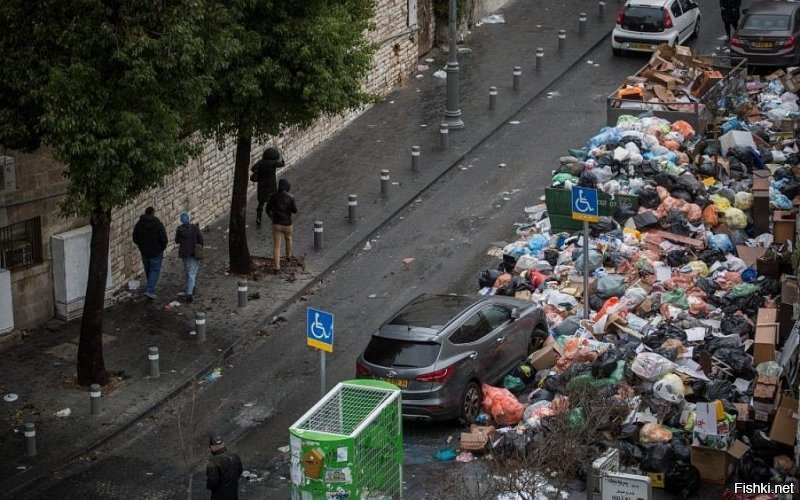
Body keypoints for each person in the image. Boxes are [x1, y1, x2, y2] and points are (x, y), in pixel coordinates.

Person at [132, 206, 167, 300]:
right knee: (154, 270)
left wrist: (141, 246)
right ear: (153, 213)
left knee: (148, 269)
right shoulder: (157, 223)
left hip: (144, 251)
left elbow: (135, 237)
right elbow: (163, 237)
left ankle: (150, 286)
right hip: (156, 251)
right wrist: (161, 248)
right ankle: (150, 289)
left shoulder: (139, 224)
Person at [265, 178, 298, 272]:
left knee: (276, 245)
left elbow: (267, 210)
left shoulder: (273, 196)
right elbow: (295, 211)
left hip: (276, 224)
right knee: (288, 238)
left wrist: (272, 217)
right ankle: (288, 256)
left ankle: (277, 267)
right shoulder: (290, 197)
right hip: (287, 223)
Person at [174, 212, 203, 303]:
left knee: (188, 270)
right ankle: (189, 293)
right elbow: (201, 240)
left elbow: (177, 241)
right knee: (192, 272)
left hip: (184, 253)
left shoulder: (179, 229)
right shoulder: (195, 228)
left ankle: (189, 287)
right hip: (194, 252)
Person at [250, 147, 283, 226]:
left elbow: (253, 169)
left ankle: (258, 217)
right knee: (272, 202)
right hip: (271, 186)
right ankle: (273, 216)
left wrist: (259, 173)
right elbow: (282, 164)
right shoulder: (273, 163)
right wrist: (281, 157)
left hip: (262, 186)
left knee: (261, 203)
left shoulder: (261, 162)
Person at [205, 435, 243, 500]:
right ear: (223, 443)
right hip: (233, 496)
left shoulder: (214, 461)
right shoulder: (235, 457)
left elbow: (212, 482)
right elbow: (240, 471)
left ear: (212, 446)